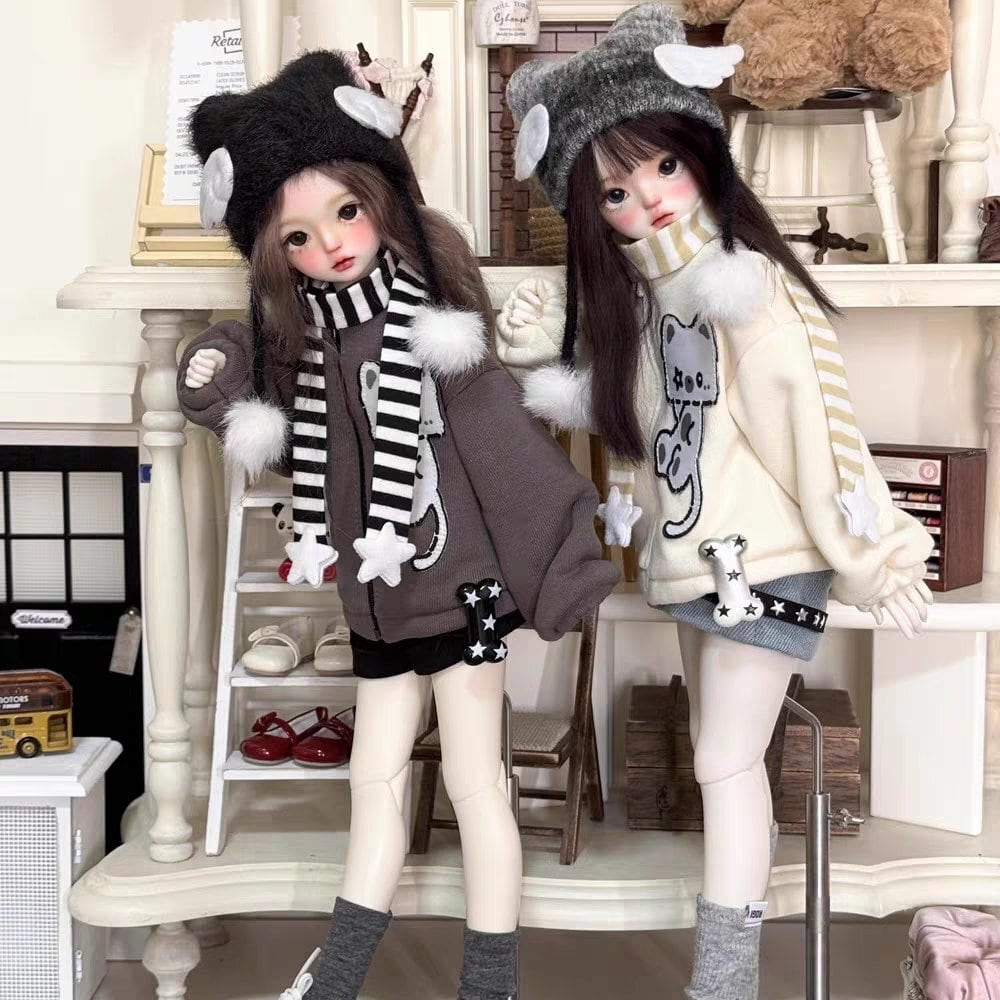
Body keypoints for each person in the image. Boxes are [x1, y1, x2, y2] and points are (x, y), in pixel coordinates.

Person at [502, 6, 934, 997]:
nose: (649, 198)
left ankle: (724, 982)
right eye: (615, 190)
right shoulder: (648, 298)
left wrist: (878, 556)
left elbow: (816, 425)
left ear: (700, 152)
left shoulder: (743, 284)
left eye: (663, 165)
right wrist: (548, 358)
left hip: (766, 562)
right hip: (702, 564)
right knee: (721, 762)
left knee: (723, 766)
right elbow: (646, 429)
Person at [178, 49, 619, 1000]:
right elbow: (278, 422)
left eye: (347, 211)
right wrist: (215, 371)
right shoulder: (304, 344)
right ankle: (338, 977)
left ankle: (488, 983)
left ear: (382, 198)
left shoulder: (434, 330)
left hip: (465, 598)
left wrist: (563, 562)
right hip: (376, 602)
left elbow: (505, 451)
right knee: (372, 780)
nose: (332, 245)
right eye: (298, 236)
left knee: (474, 782)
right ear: (274, 253)